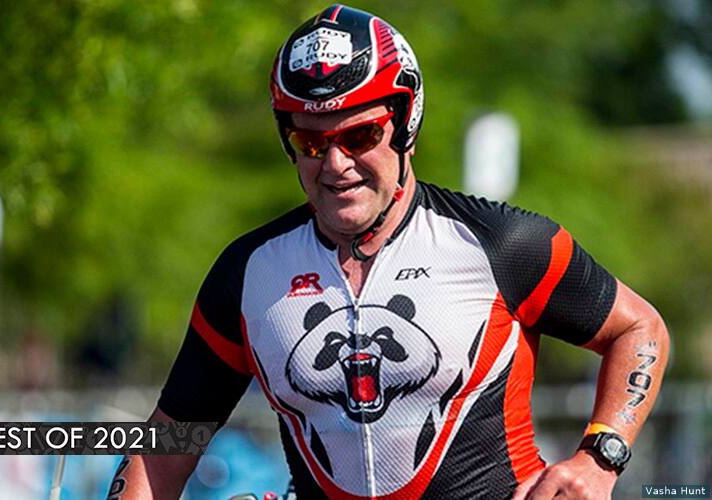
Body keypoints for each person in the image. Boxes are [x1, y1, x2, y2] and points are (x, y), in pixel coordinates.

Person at [109, 4, 669, 499]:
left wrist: (600, 459)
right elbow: (168, 442)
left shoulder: (503, 243)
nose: (335, 165)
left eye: (358, 137)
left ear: (405, 125)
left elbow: (639, 329)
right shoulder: (247, 272)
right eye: (310, 142)